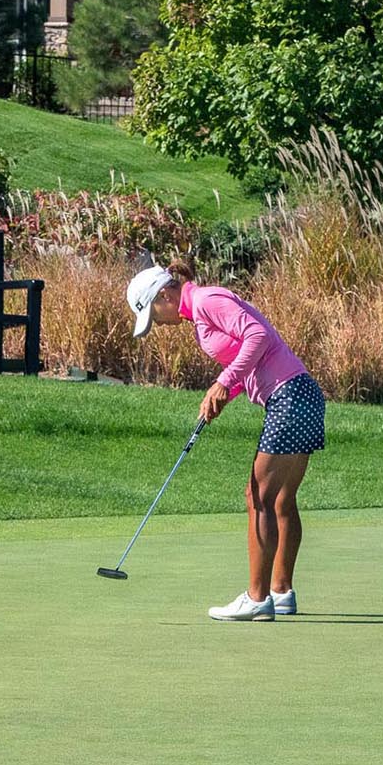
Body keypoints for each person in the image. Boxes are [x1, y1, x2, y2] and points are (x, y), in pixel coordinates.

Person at [126, 262, 326, 621]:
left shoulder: (206, 301)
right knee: (281, 499)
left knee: (258, 498)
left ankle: (257, 599)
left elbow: (257, 336)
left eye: (154, 315)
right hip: (301, 395)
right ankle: (280, 592)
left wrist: (222, 381)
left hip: (290, 397)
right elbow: (246, 362)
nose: (159, 324)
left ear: (164, 295)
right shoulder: (199, 316)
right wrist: (223, 396)